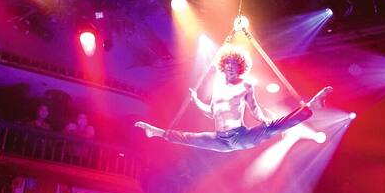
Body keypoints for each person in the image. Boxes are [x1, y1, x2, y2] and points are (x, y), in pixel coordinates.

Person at [135, 44, 332, 151]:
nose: (229, 67)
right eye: (227, 64)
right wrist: (196, 101)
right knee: (190, 138)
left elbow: (254, 109)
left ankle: (311, 106)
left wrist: (264, 121)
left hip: (240, 137)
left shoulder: (246, 85)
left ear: (240, 67)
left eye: (233, 64)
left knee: (274, 127)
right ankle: (157, 132)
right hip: (219, 140)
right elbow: (212, 113)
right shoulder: (217, 85)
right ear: (222, 66)